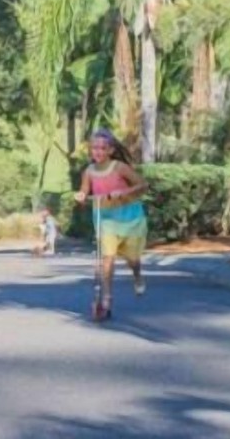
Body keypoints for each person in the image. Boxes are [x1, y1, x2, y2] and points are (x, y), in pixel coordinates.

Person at [74, 128, 150, 320]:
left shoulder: (119, 168)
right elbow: (84, 191)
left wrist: (123, 193)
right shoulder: (89, 172)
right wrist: (81, 197)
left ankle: (137, 276)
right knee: (107, 257)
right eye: (94, 148)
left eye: (102, 148)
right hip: (105, 217)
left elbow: (143, 185)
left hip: (129, 217)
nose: (98, 152)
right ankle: (106, 299)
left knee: (133, 258)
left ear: (110, 150)